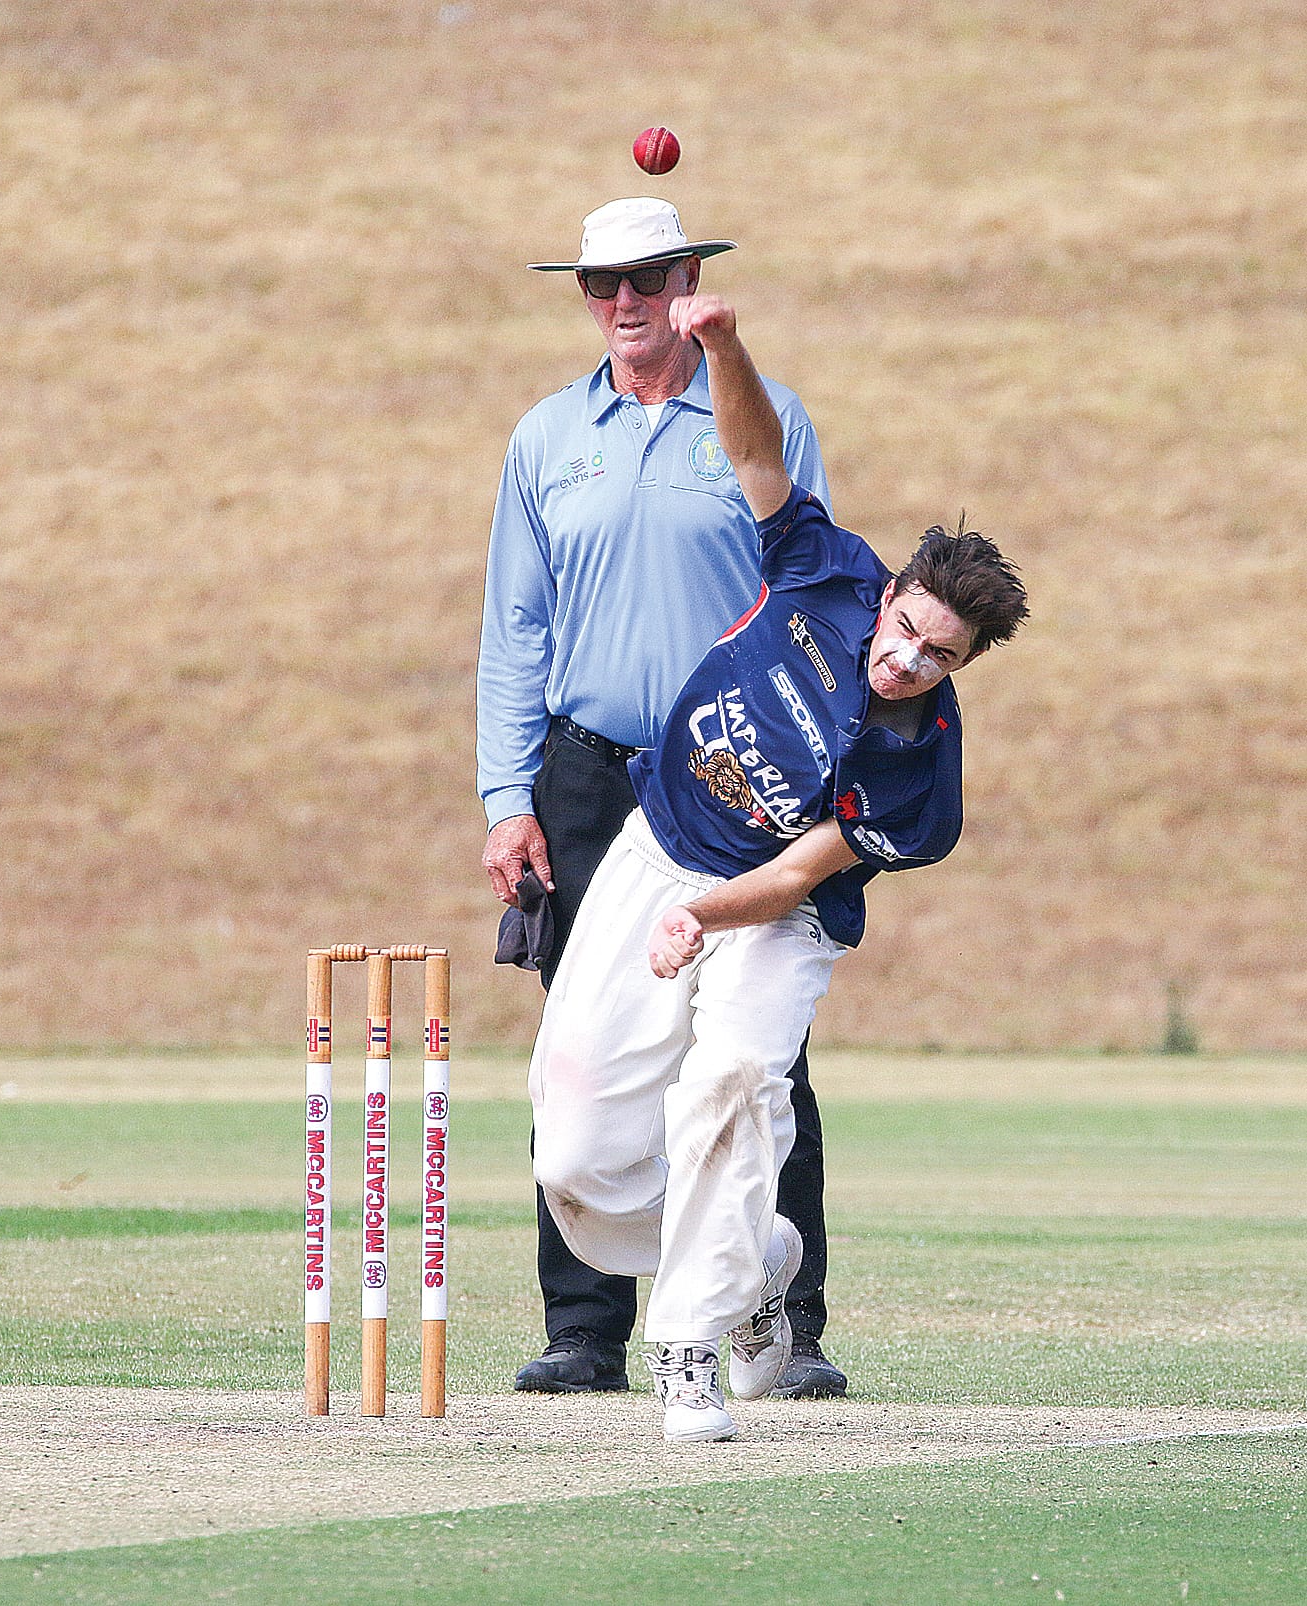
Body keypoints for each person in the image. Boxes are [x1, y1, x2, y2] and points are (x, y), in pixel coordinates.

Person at [530, 289, 1029, 1441]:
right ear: (887, 594)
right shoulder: (826, 572)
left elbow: (797, 874)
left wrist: (704, 918)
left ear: (962, 666)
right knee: (574, 1162)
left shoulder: (917, 779)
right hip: (656, 848)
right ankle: (752, 1256)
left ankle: (687, 1352)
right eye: (904, 629)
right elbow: (753, 455)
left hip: (770, 917)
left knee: (731, 1086)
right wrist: (720, 345)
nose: (903, 661)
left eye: (936, 656)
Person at [477, 196, 847, 1399]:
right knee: (581, 1048)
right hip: (587, 773)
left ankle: (782, 1319)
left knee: (752, 1051)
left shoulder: (761, 413)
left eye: (646, 277)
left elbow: (816, 596)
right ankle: (585, 1328)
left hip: (731, 775)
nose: (624, 301)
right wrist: (507, 795)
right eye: (601, 283)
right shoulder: (547, 435)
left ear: (689, 280)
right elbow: (515, 629)